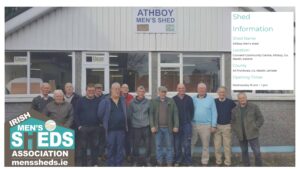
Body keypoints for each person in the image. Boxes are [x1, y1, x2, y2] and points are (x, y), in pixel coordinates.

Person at [98, 82, 128, 166]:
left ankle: (118, 165)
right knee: (110, 149)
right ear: (111, 90)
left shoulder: (123, 100)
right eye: (115, 89)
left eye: (119, 89)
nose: (117, 91)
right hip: (110, 131)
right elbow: (100, 114)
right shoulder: (105, 101)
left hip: (121, 130)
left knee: (120, 150)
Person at [231, 92, 264, 166]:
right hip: (241, 135)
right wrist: (236, 130)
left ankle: (258, 166)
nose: (242, 99)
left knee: (257, 152)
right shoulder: (234, 109)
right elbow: (232, 122)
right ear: (238, 100)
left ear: (246, 98)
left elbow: (260, 118)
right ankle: (246, 165)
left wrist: (255, 126)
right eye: (240, 98)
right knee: (244, 151)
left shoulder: (253, 107)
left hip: (252, 134)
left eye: (243, 98)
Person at [150, 86, 179, 166]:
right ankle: (160, 162)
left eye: (164, 92)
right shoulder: (153, 101)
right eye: (161, 92)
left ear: (166, 93)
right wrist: (152, 126)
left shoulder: (171, 101)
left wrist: (176, 125)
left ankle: (169, 162)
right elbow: (151, 114)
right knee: (158, 146)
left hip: (168, 128)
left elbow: (175, 114)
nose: (163, 93)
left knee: (169, 146)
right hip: (157, 128)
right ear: (158, 92)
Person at [191, 83, 217, 166]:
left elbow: (214, 113)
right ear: (197, 89)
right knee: (191, 143)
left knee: (205, 145)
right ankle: (188, 159)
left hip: (206, 126)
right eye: (200, 88)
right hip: (194, 125)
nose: (201, 90)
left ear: (206, 90)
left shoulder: (210, 99)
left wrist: (213, 125)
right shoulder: (193, 99)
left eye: (203, 88)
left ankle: (204, 161)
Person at [74, 84, 100, 166]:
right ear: (86, 91)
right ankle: (84, 165)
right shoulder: (80, 101)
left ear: (94, 91)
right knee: (83, 147)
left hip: (95, 127)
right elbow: (76, 114)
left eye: (92, 90)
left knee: (95, 147)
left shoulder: (98, 100)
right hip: (84, 128)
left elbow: (102, 112)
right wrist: (79, 126)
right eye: (89, 90)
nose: (91, 92)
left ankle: (94, 164)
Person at [128, 85, 151, 166]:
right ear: (137, 92)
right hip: (136, 127)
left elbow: (150, 114)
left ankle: (147, 161)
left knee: (148, 145)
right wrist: (133, 124)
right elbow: (129, 115)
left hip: (146, 127)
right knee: (135, 145)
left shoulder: (148, 102)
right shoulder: (131, 102)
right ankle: (135, 161)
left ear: (144, 93)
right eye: (139, 91)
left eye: (143, 91)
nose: (141, 93)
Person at [214, 86, 236, 166]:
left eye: (223, 92)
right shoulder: (214, 102)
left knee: (227, 145)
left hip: (227, 126)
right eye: (220, 92)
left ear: (225, 93)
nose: (221, 94)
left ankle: (227, 162)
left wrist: (232, 123)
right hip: (217, 126)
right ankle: (218, 161)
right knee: (217, 146)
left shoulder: (230, 102)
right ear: (218, 93)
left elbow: (236, 112)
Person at [172, 83, 194, 166]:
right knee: (177, 144)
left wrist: (188, 120)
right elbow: (171, 113)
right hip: (176, 125)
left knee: (187, 144)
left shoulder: (189, 99)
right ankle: (178, 160)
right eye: (179, 88)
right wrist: (174, 124)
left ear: (185, 89)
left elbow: (192, 112)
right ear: (177, 89)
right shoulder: (173, 99)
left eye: (183, 88)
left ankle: (188, 160)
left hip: (186, 125)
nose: (181, 89)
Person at [121, 83, 134, 162]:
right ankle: (121, 155)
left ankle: (128, 155)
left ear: (128, 89)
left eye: (127, 88)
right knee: (120, 139)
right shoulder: (118, 97)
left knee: (128, 139)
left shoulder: (131, 97)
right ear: (121, 89)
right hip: (120, 122)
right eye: (123, 87)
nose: (125, 89)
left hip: (129, 122)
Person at [94, 83, 106, 161]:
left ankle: (102, 154)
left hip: (103, 123)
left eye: (100, 88)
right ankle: (95, 155)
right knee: (95, 141)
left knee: (103, 141)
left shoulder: (105, 98)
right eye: (97, 89)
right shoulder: (92, 98)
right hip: (95, 123)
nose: (99, 90)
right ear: (95, 90)